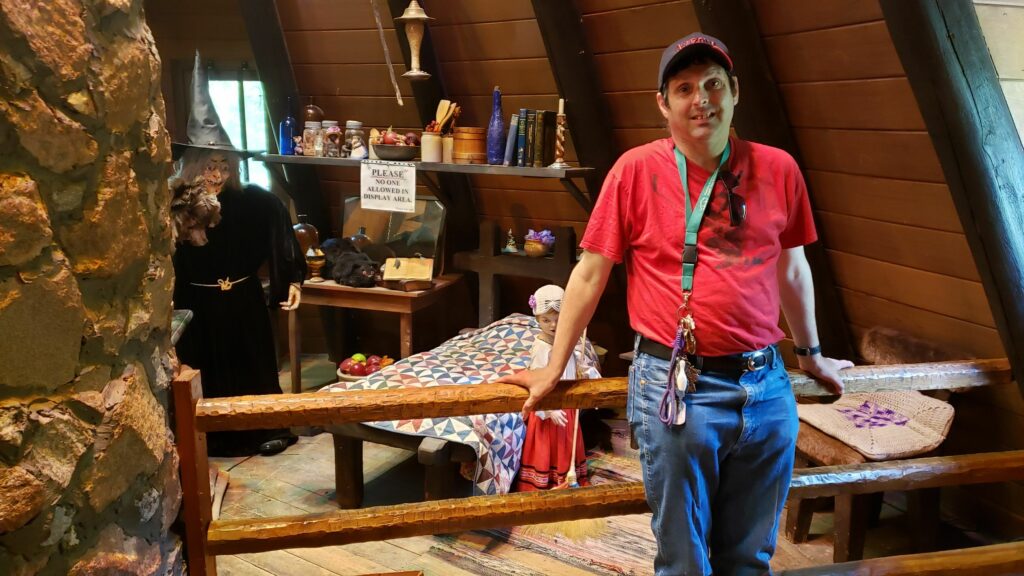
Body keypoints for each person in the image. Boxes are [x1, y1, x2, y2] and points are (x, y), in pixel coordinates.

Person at [498, 33, 852, 575]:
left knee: (751, 558)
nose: (700, 99)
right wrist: (555, 366)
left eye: (713, 84)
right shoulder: (634, 171)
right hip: (674, 384)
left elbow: (792, 268)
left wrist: (811, 352)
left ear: (735, 92)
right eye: (684, 88)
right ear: (663, 103)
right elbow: (590, 273)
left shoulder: (779, 169)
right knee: (684, 562)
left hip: (765, 385)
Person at [171, 52, 307, 457]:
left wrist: (292, 280)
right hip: (198, 308)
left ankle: (262, 429)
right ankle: (207, 437)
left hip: (244, 302)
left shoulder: (253, 203)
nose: (216, 175)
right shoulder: (174, 206)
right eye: (208, 166)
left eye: (223, 166)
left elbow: (281, 231)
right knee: (206, 372)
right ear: (193, 166)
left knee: (254, 370)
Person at [515, 285, 601, 492]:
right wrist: (549, 410)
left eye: (558, 319)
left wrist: (587, 374)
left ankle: (568, 479)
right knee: (549, 448)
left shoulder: (568, 341)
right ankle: (546, 484)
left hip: (567, 405)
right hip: (550, 410)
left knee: (567, 445)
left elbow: (575, 367)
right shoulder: (541, 348)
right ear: (537, 319)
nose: (553, 325)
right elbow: (536, 382)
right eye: (546, 320)